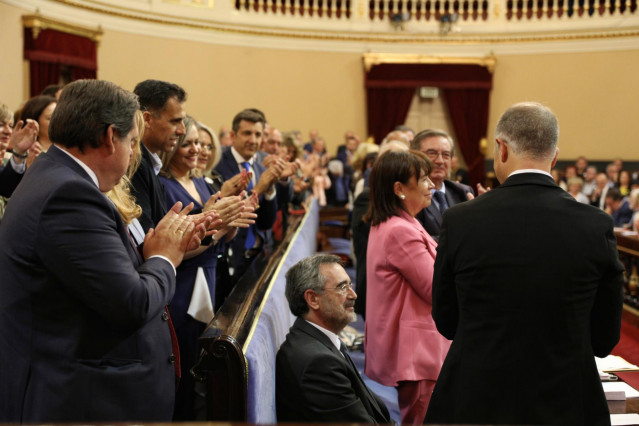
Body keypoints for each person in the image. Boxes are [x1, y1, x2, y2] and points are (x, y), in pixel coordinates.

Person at [0, 79, 210, 422]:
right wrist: (164, 258)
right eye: (131, 142)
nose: (131, 158)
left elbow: (96, 279)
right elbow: (131, 303)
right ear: (111, 137)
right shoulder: (69, 196)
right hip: (82, 400)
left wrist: (157, 248)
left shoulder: (53, 174)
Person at [425, 102, 624, 425]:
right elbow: (604, 339)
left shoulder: (461, 220)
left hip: (476, 399)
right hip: (566, 399)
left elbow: (446, 320)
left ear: (501, 149)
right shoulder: (595, 224)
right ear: (555, 156)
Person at [158, 115, 252, 420]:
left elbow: (222, 234)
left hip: (209, 275)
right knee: (183, 358)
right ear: (172, 144)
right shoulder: (163, 185)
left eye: (200, 143)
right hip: (182, 282)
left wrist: (231, 219)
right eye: (188, 143)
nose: (196, 149)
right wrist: (217, 227)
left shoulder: (200, 180)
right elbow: (178, 246)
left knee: (202, 355)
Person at [364, 149, 450, 424]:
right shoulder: (400, 230)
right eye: (423, 179)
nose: (432, 185)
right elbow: (435, 288)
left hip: (417, 347)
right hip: (418, 352)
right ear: (399, 188)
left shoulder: (401, 223)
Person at [276, 254, 391, 423]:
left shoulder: (317, 340)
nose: (353, 295)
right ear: (313, 299)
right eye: (342, 287)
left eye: (349, 285)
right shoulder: (317, 363)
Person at [131, 79, 187, 234]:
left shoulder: (147, 161)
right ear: (147, 119)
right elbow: (149, 237)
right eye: (176, 121)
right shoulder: (134, 164)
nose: (182, 131)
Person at [410, 129, 474, 242]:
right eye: (432, 153)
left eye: (446, 155)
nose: (440, 161)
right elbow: (418, 241)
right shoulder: (410, 195)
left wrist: (485, 212)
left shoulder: (463, 192)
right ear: (415, 156)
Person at [0, 103, 39, 198]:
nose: (8, 131)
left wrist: (19, 153)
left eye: (10, 125)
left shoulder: (8, 160)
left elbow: (6, 189)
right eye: (1, 125)